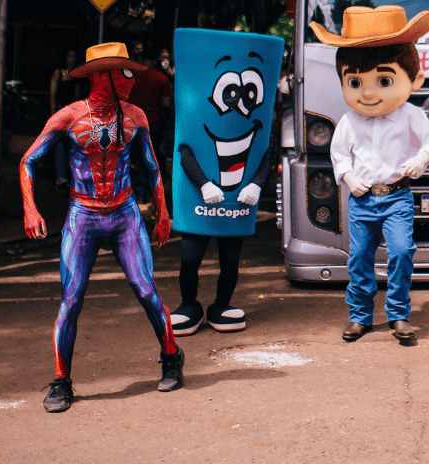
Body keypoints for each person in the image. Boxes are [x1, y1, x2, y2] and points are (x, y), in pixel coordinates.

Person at [19, 42, 183, 413]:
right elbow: (28, 161)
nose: (131, 79)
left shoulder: (135, 116)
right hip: (84, 215)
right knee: (72, 298)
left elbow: (152, 166)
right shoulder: (68, 117)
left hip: (125, 213)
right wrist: (30, 209)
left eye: (131, 72)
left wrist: (163, 213)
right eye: (123, 72)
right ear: (101, 76)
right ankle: (62, 381)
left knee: (146, 290)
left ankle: (172, 355)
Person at [310, 6, 429, 345]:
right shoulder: (349, 121)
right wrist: (348, 177)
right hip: (362, 199)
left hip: (397, 196)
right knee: (360, 258)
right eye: (355, 82)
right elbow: (338, 153)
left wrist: (422, 158)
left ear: (414, 80)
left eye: (384, 81)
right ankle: (360, 315)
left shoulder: (411, 115)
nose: (368, 93)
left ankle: (398, 314)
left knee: (400, 252)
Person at [168, 29, 284, 337]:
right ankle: (188, 305)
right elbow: (184, 150)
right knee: (190, 258)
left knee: (230, 260)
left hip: (236, 203)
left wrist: (256, 184)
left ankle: (222, 304)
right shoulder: (190, 114)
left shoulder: (263, 122)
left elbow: (266, 155)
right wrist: (204, 184)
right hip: (199, 200)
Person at [125, 51, 174, 204]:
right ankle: (140, 197)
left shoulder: (130, 75)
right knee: (145, 161)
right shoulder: (162, 78)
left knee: (125, 159)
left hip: (128, 122)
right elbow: (166, 104)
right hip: (150, 123)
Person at [49, 50, 83, 188]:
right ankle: (60, 177)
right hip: (60, 109)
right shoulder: (58, 72)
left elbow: (77, 95)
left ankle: (70, 177)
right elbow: (52, 94)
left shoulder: (76, 74)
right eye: (69, 56)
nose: (72, 59)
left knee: (72, 143)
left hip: (72, 111)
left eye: (74, 56)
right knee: (59, 143)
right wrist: (53, 113)